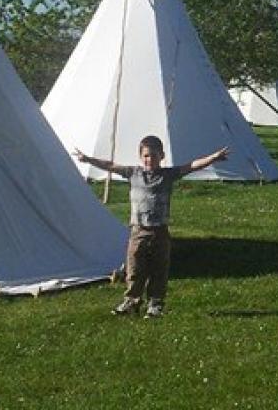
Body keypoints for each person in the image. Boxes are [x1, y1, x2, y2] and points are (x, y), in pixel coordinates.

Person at [74, 136, 229, 318]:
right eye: (146, 156)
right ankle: (132, 301)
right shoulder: (133, 173)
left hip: (159, 231)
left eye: (154, 156)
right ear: (141, 157)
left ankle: (155, 304)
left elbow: (192, 165)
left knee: (158, 269)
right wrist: (88, 159)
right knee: (134, 269)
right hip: (138, 231)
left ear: (161, 156)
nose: (150, 160)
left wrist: (213, 158)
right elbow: (110, 165)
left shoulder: (167, 175)